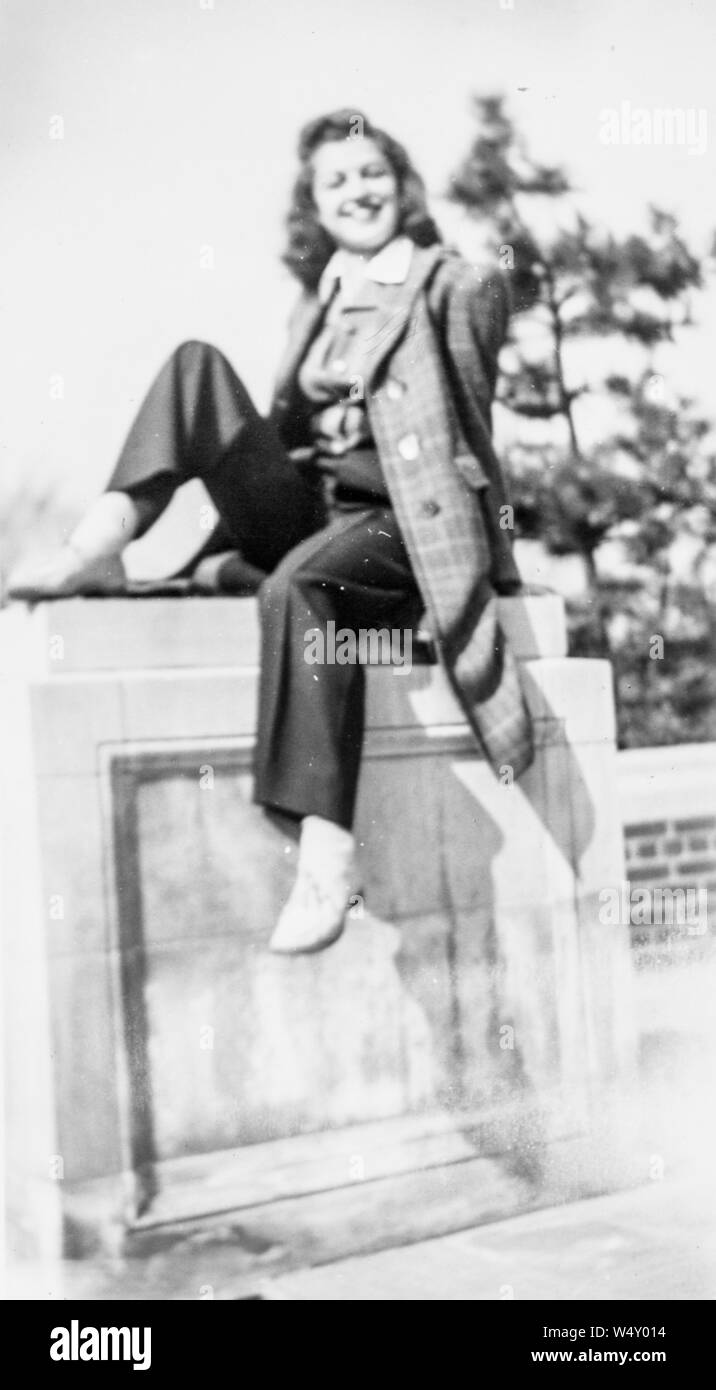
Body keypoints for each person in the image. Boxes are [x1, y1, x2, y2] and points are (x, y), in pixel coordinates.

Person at [8, 109, 534, 954]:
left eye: (372, 173)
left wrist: (499, 573)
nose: (358, 191)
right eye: (337, 181)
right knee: (195, 366)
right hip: (314, 510)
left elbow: (473, 434)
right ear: (314, 207)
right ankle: (98, 542)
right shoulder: (316, 302)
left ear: (401, 183)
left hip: (400, 523)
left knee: (303, 586)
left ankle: (327, 856)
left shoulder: (453, 284)